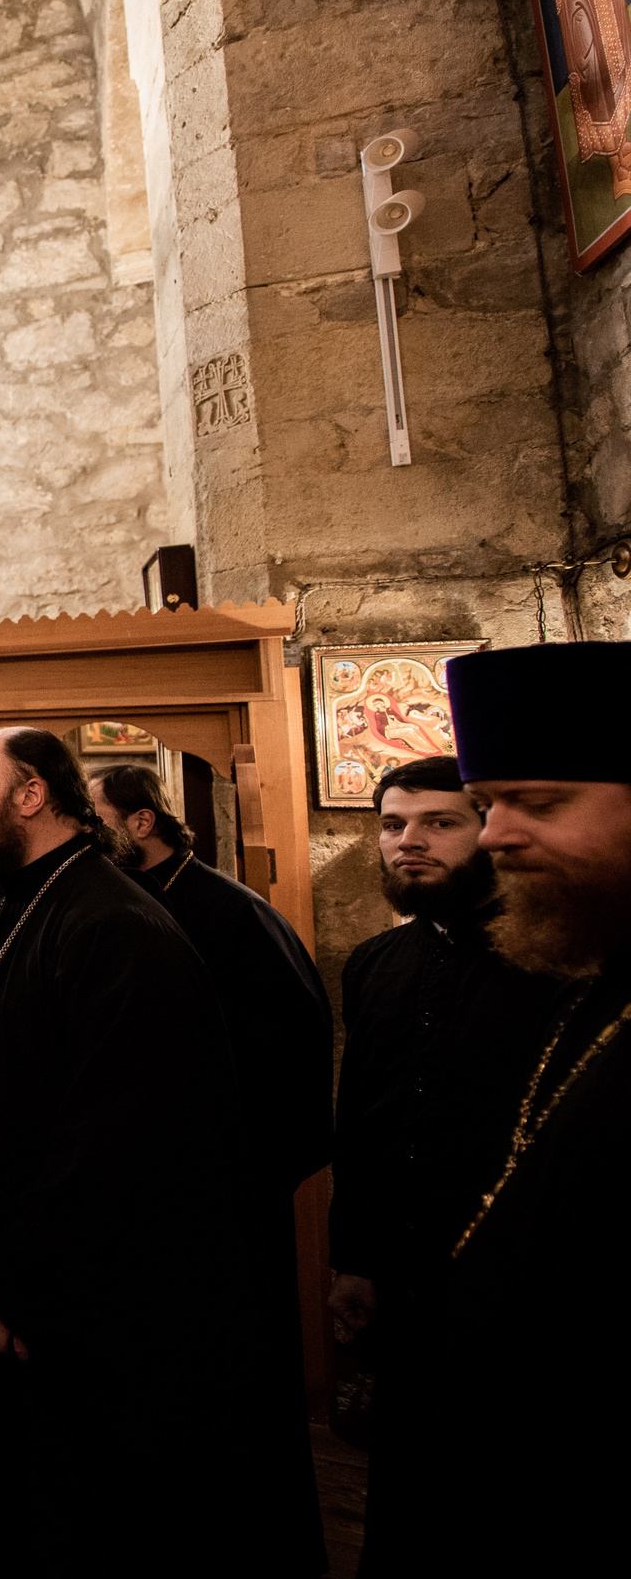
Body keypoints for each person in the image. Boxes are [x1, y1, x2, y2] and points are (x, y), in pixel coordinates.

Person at [0, 727, 255, 1573]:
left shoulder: (116, 925)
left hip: (57, 1310)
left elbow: (123, 1132)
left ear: (30, 795)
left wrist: (22, 1273)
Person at [360, 645, 631, 1570]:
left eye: (538, 803)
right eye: (492, 805)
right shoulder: (387, 964)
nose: (498, 834)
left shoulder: (552, 966)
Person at [89, 761, 331, 1573]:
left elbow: (290, 1057)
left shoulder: (232, 913)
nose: (90, 835)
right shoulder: (112, 904)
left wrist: (228, 1162)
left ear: (142, 822)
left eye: (98, 818)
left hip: (224, 1190)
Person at [328, 754, 565, 1567]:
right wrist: (351, 1259)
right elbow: (358, 1124)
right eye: (393, 825)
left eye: (440, 823)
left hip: (522, 1283)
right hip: (404, 1276)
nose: (409, 842)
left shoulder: (555, 964)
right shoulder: (375, 964)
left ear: (488, 830)